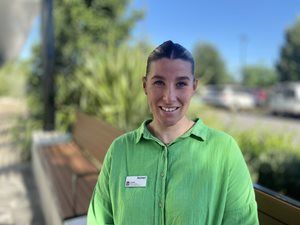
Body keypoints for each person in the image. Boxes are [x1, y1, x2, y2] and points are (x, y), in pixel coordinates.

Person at [87, 40, 259, 225]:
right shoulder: (120, 150)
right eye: (159, 82)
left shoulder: (225, 151)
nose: (169, 97)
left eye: (181, 84)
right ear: (145, 85)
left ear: (194, 86)